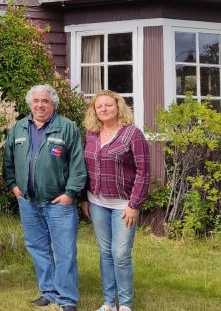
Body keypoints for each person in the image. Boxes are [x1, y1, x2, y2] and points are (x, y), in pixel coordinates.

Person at [3, 84, 86, 311]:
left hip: (58, 203)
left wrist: (70, 194)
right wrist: (13, 186)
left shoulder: (67, 128)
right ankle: (49, 291)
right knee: (38, 248)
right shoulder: (18, 128)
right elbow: (8, 162)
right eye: (36, 101)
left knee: (65, 252)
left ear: (53, 104)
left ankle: (67, 299)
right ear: (30, 103)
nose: (40, 105)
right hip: (28, 202)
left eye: (45, 101)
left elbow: (78, 166)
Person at [80, 90, 151, 311]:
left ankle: (126, 305)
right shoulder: (91, 134)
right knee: (105, 253)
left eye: (108, 105)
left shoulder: (133, 134)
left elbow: (144, 172)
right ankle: (109, 302)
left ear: (118, 107)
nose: (103, 109)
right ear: (94, 110)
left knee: (120, 254)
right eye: (99, 106)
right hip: (97, 203)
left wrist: (134, 205)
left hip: (123, 205)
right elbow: (85, 168)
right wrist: (84, 199)